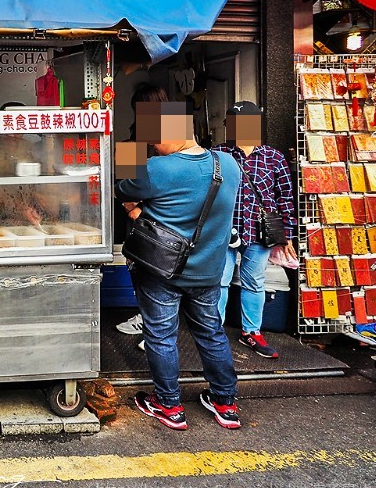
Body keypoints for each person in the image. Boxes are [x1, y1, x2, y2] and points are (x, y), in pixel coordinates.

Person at [116, 101, 242, 430]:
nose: (154, 146)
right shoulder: (229, 165)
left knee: (161, 335)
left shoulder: (160, 169)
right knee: (211, 333)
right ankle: (225, 403)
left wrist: (134, 209)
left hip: (162, 271)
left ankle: (169, 406)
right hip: (209, 271)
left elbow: (123, 186)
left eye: (154, 139)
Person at [214, 101, 297, 360]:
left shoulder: (274, 157)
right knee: (219, 281)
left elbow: (285, 198)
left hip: (260, 232)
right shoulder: (217, 154)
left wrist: (288, 236)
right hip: (224, 231)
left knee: (254, 282)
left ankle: (251, 331)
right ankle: (213, 332)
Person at [115, 82, 169, 345]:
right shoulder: (134, 138)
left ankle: (153, 325)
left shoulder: (170, 140)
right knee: (140, 268)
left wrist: (140, 207)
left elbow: (172, 185)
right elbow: (125, 187)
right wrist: (131, 205)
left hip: (157, 221)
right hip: (142, 221)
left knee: (154, 272)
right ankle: (149, 320)